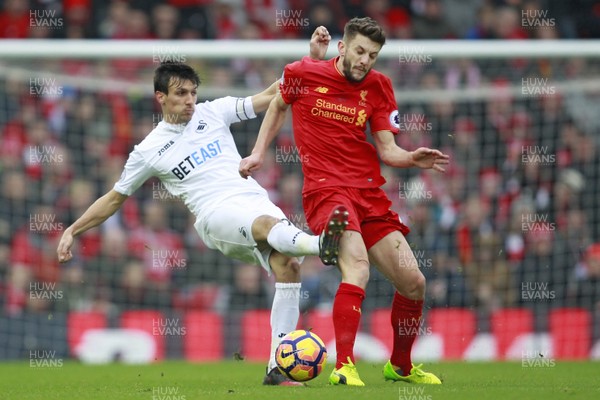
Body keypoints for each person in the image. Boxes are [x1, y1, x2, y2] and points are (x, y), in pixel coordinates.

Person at [56, 27, 348, 386]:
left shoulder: (214, 112)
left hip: (250, 196)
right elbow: (114, 198)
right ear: (160, 97)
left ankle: (277, 366)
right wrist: (72, 229)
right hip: (214, 216)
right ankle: (321, 245)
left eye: (193, 92)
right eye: (181, 93)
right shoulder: (148, 151)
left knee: (287, 266)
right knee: (266, 227)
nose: (190, 100)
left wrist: (313, 61)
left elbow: (275, 93)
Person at [240, 17, 449, 386]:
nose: (365, 60)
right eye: (359, 51)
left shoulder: (380, 86)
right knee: (358, 268)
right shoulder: (301, 73)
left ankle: (399, 367)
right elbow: (277, 105)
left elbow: (388, 149)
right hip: (326, 191)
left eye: (373, 54)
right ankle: (344, 366)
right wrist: (257, 153)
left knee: (414, 281)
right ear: (343, 48)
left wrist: (411, 157)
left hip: (368, 194)